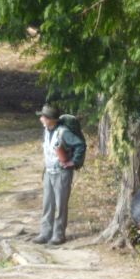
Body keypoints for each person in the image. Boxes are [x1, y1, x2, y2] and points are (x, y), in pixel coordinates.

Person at [33, 104, 84, 245]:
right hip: (49, 172)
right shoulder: (47, 130)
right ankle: (45, 233)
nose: (41, 118)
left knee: (60, 205)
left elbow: (80, 145)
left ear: (50, 119)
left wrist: (73, 162)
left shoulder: (63, 132)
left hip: (62, 173)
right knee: (47, 204)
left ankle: (59, 234)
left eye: (43, 116)